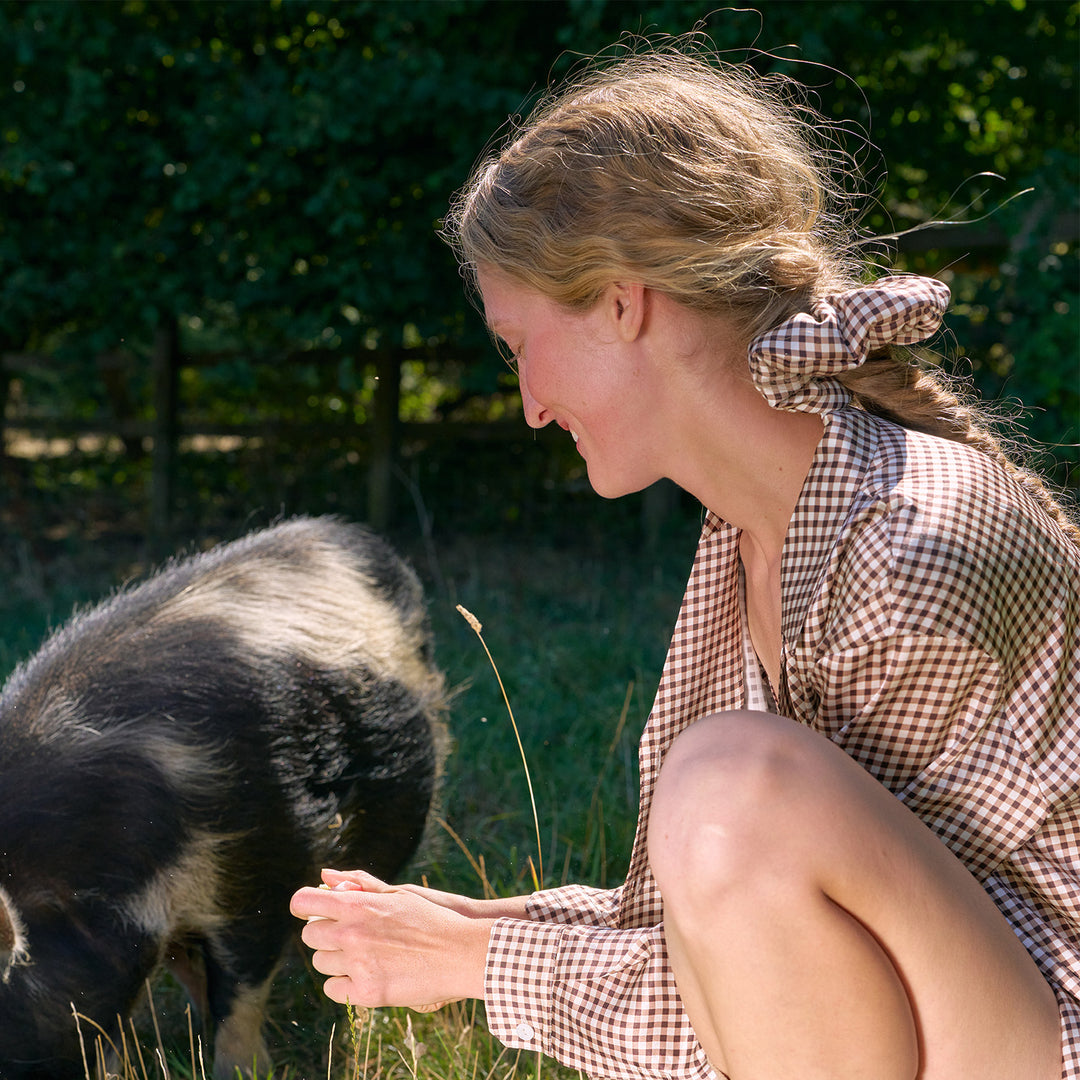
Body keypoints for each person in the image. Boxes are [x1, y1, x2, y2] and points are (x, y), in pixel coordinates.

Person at [291, 46, 1079, 1080]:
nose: (529, 405)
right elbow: (780, 963)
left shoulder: (902, 550)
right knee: (724, 795)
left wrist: (485, 960)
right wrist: (490, 920)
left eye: (520, 344)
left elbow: (838, 1007)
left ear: (622, 305)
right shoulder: (760, 530)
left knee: (728, 790)